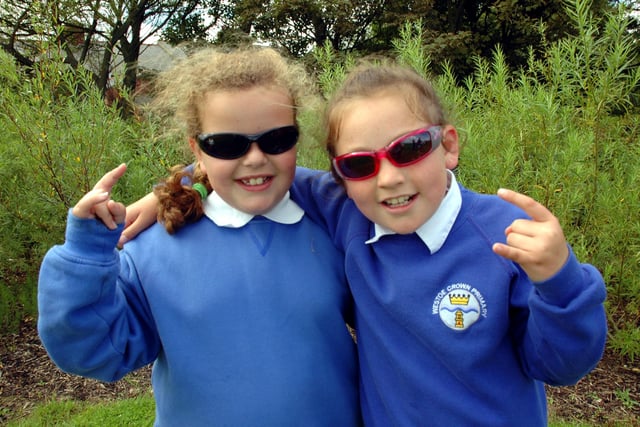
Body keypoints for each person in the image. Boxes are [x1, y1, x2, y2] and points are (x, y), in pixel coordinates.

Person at [123, 61, 608, 426]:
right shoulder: (349, 212)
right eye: (359, 164)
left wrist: (561, 281)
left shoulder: (506, 234)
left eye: (411, 148)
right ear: (339, 174)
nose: (388, 178)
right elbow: (257, 168)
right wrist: (181, 186)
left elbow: (560, 365)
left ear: (450, 145)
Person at [37, 47, 361, 426]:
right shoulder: (153, 248)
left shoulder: (331, 226)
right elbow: (93, 351)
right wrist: (86, 252)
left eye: (276, 139)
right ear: (198, 149)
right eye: (227, 144)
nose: (255, 158)